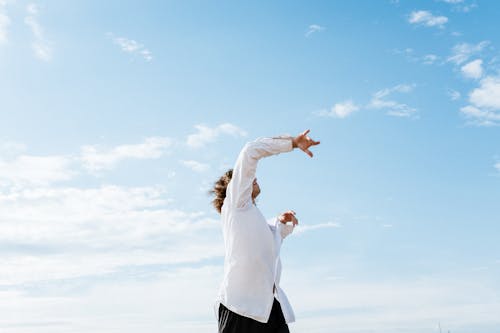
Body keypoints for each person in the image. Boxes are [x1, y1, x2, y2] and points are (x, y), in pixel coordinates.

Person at [211, 129, 320, 333]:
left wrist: (280, 223)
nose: (253, 177)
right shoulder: (235, 204)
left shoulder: (251, 215)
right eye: (247, 177)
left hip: (266, 307)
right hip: (239, 307)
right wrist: (292, 143)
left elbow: (267, 244)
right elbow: (250, 150)